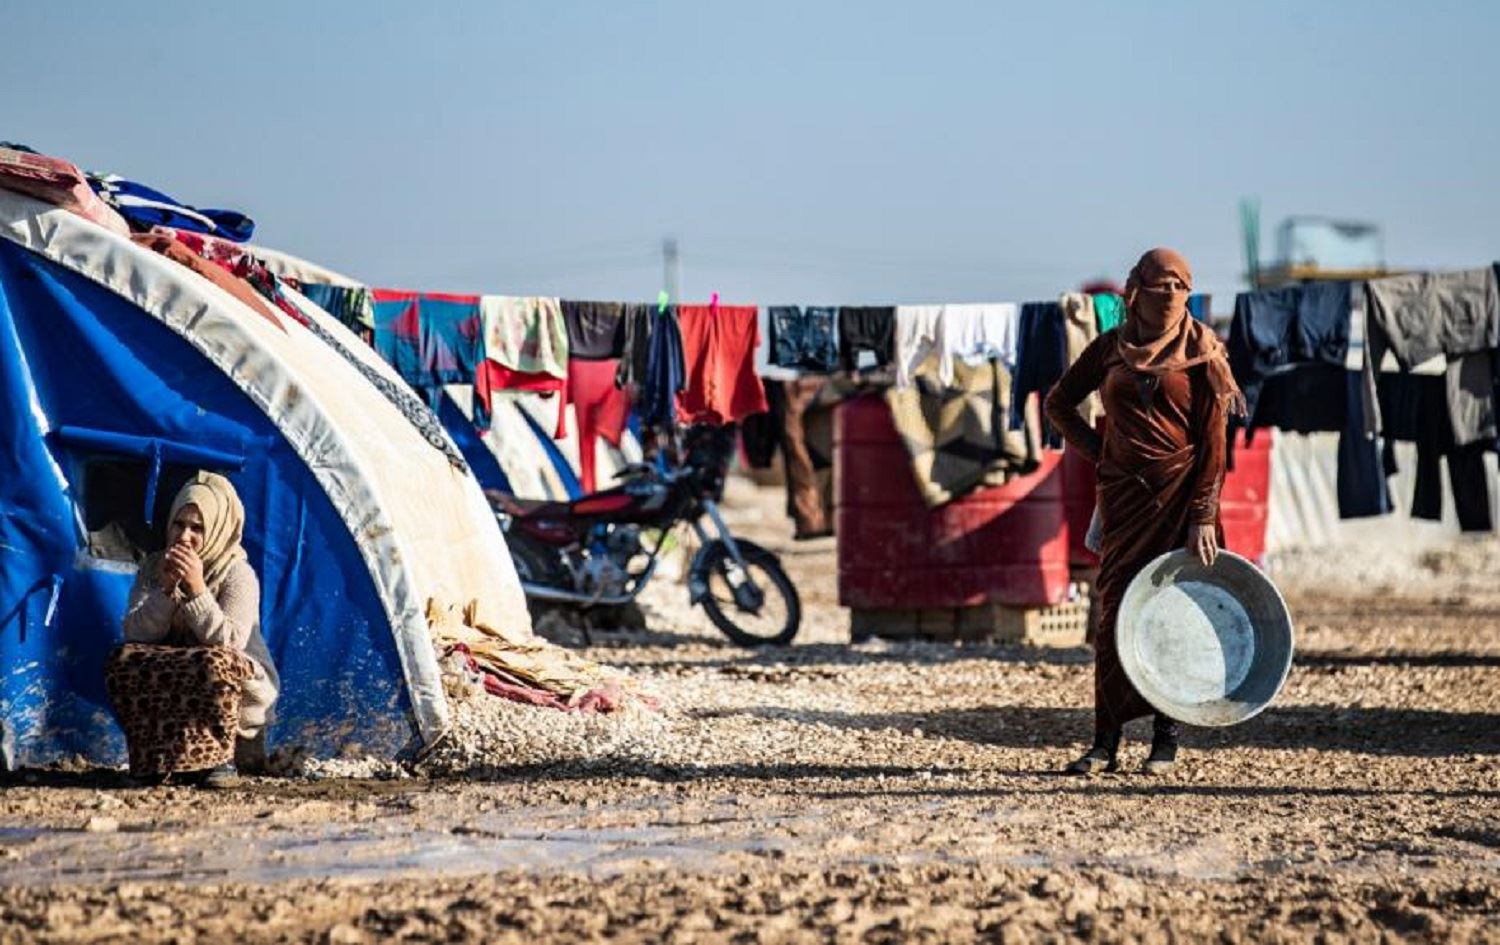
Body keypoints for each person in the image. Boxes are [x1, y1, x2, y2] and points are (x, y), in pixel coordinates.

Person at [1044, 248, 1244, 775]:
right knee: (1114, 613)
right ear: (1136, 290)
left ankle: (1165, 738)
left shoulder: (1204, 351)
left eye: (1181, 285)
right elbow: (1058, 404)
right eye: (1161, 284)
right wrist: (1100, 453)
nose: (1171, 295)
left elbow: (1214, 443)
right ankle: (1104, 741)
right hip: (1124, 501)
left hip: (1182, 501)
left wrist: (1203, 514)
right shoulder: (1111, 347)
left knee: (1172, 614)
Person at [105, 472, 279, 786]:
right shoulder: (154, 568)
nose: (184, 536)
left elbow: (230, 642)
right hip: (179, 685)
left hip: (237, 690)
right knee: (124, 659)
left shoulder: (236, 574)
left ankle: (219, 760)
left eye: (197, 528)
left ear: (217, 529)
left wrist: (197, 590)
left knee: (213, 662)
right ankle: (153, 760)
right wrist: (167, 590)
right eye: (178, 524)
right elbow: (136, 633)